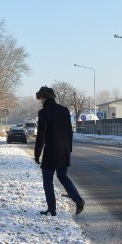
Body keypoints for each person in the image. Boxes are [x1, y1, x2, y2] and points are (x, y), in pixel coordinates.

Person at [33, 86, 85, 216]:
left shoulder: (44, 112)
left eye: (41, 98)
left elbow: (41, 135)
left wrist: (37, 154)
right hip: (64, 150)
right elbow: (69, 131)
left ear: (44, 98)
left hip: (51, 151)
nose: (40, 101)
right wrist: (69, 149)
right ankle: (78, 200)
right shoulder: (64, 110)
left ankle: (52, 208)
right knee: (63, 176)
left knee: (47, 180)